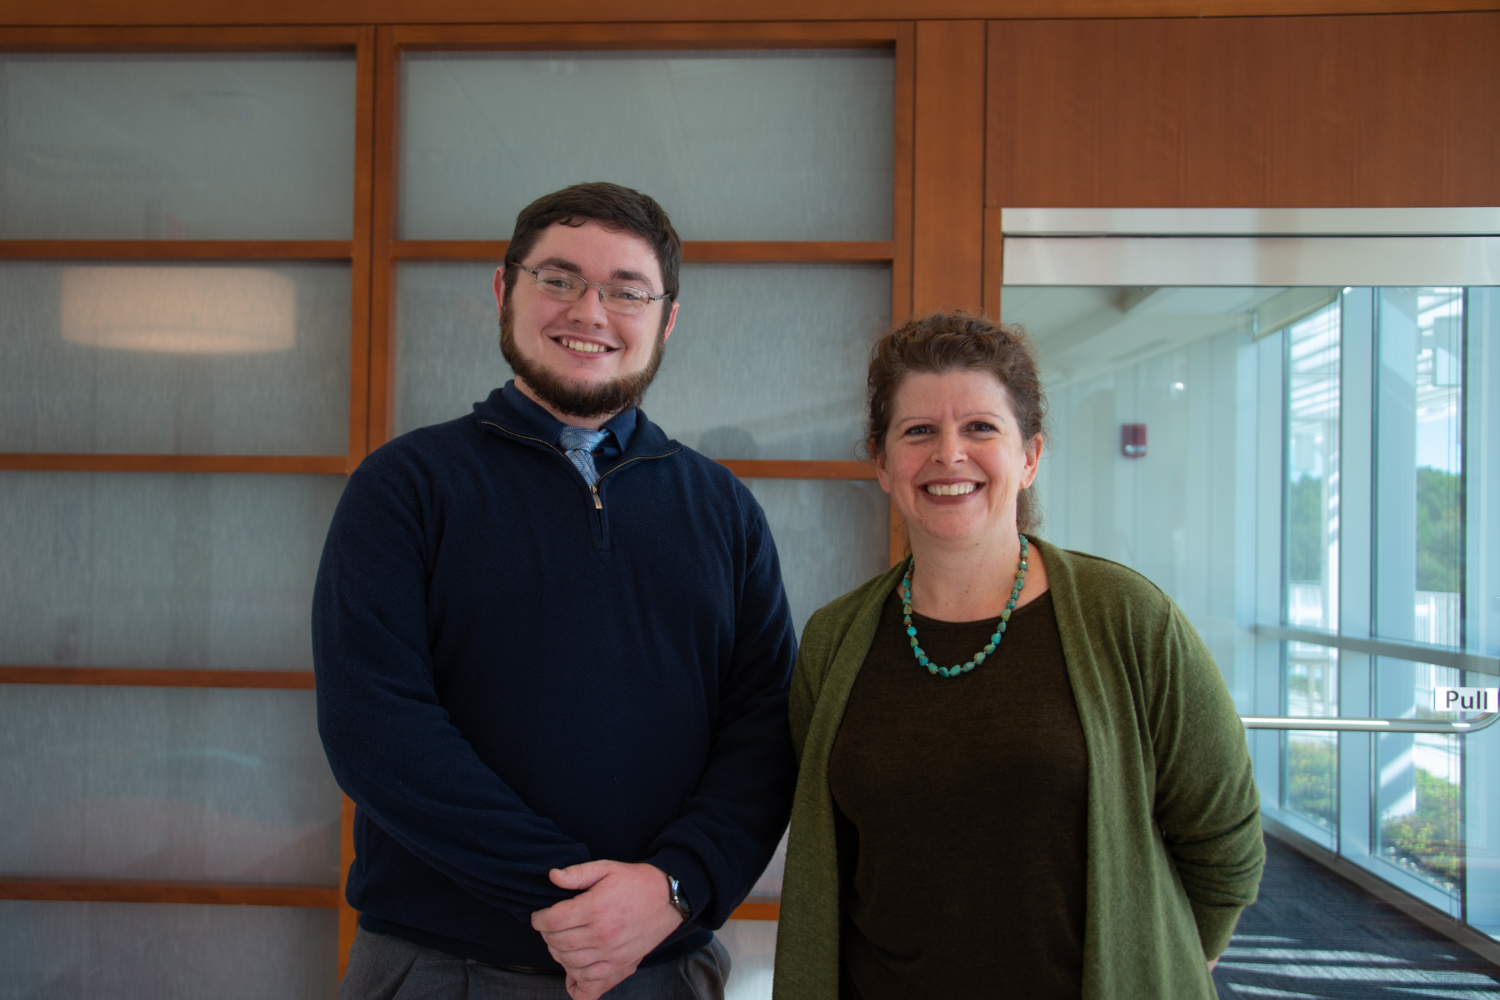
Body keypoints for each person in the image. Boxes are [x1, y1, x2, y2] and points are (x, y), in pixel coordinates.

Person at [314, 182, 797, 1000]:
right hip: (442, 967)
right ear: (505, 291)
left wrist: (674, 886)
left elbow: (765, 732)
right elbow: (377, 726)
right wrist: (571, 902)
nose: (590, 311)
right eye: (559, 279)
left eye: (626, 290)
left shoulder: (724, 511)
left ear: (666, 318)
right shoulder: (404, 486)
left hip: (665, 966)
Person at [772, 312, 1263, 1000]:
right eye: (919, 431)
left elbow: (1225, 845)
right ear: (881, 462)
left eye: (981, 428)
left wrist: (1156, 957)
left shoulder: (1127, 617)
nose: (949, 454)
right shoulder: (836, 638)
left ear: (1030, 456)